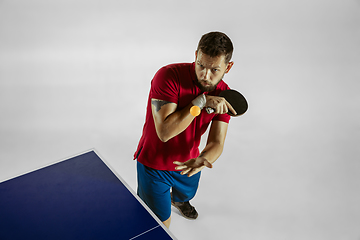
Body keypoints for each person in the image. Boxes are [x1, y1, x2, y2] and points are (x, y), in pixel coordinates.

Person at [134, 31, 236, 228]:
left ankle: (179, 200)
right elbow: (165, 132)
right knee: (158, 226)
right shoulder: (168, 76)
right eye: (201, 65)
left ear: (228, 67)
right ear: (196, 55)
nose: (205, 75)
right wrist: (202, 101)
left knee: (185, 194)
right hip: (155, 165)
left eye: (214, 69)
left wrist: (204, 158)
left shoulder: (224, 94)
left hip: (189, 162)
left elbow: (217, 142)